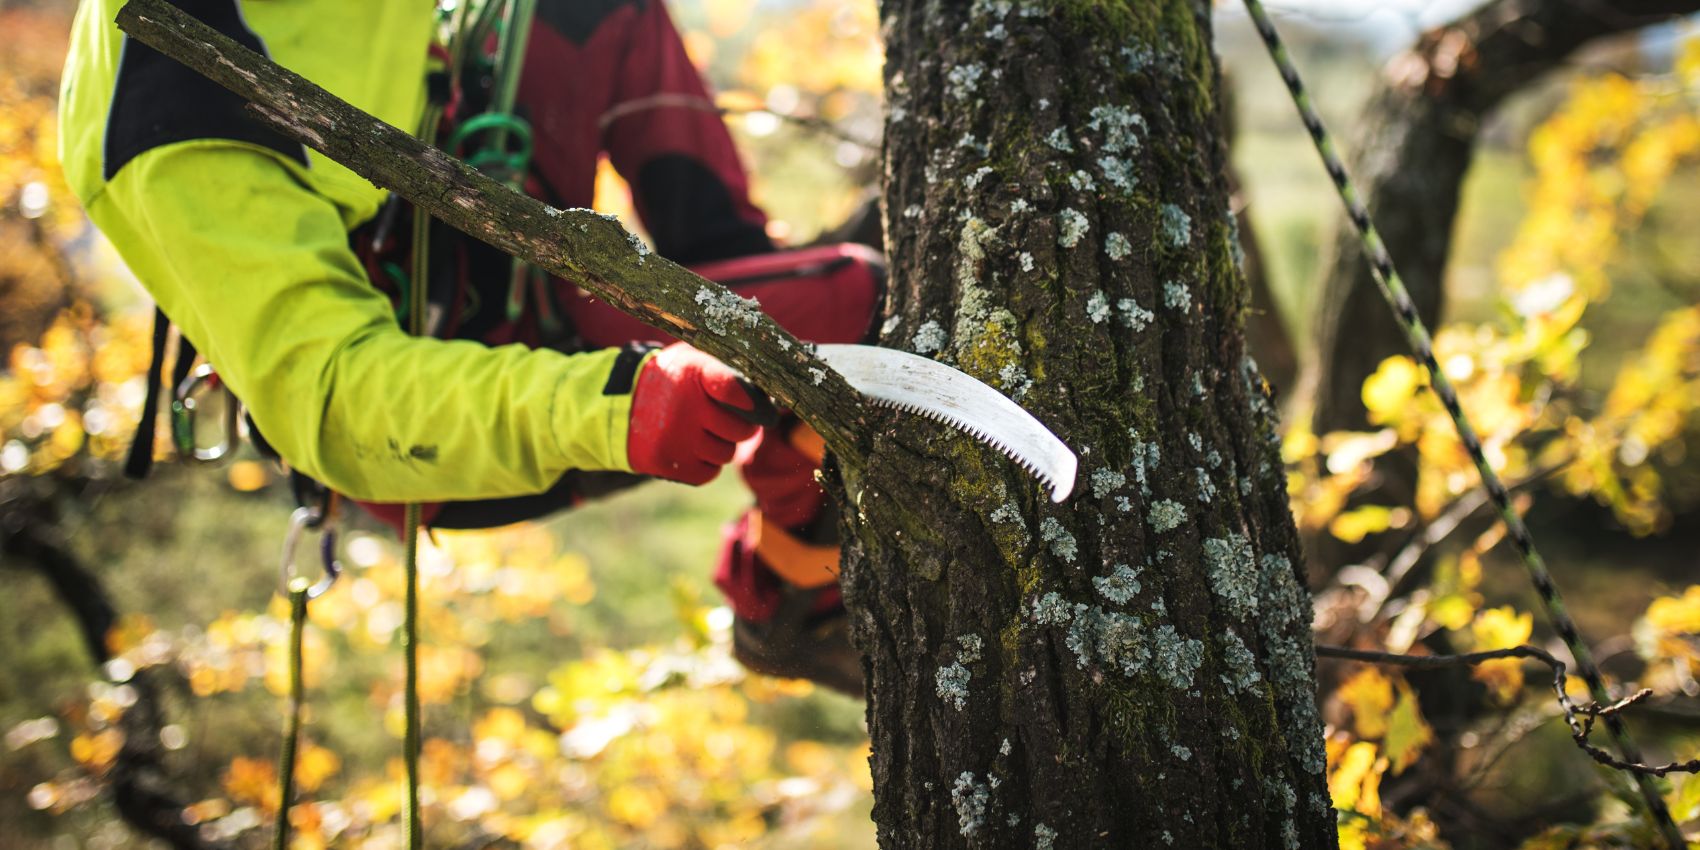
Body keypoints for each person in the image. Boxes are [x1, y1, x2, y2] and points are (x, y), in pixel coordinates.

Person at [59, 0, 871, 695]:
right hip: (437, 400)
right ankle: (791, 591)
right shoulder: (171, 109)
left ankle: (740, 261)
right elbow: (338, 396)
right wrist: (617, 403)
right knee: (864, 303)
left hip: (468, 208)